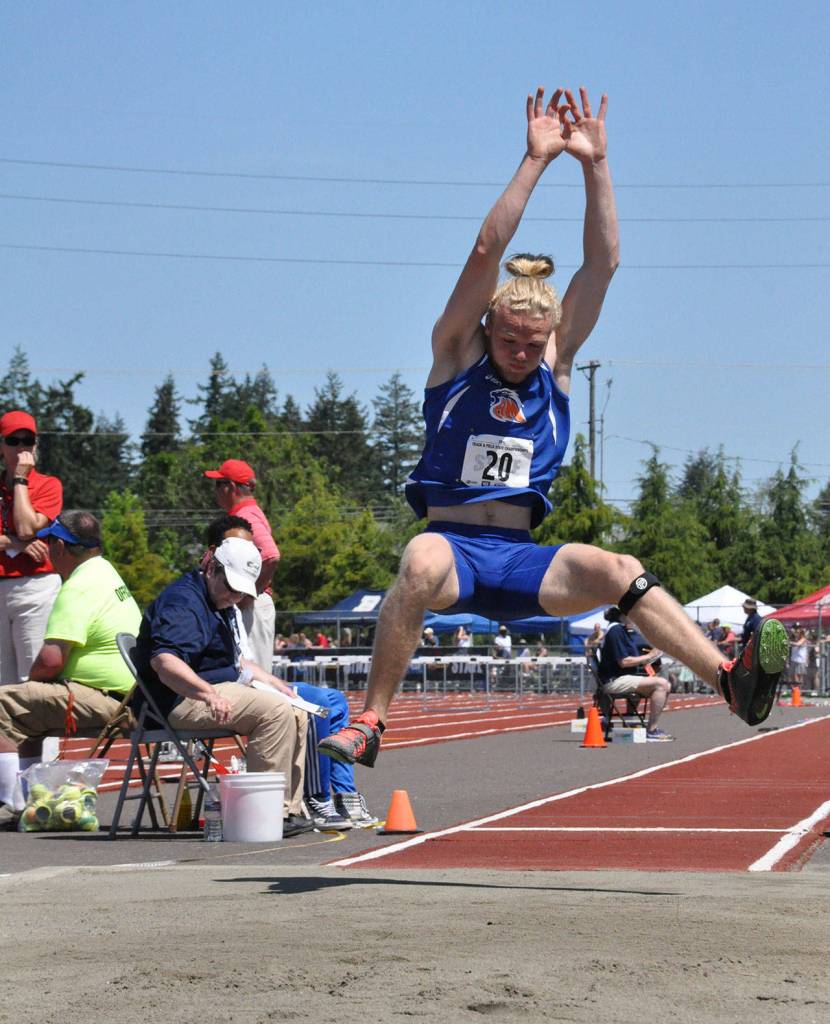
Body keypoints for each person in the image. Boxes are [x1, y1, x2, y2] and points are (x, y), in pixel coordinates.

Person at [319, 84, 788, 771]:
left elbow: (603, 265)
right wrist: (536, 160)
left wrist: (596, 165)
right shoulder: (457, 353)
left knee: (622, 570)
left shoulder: (554, 363)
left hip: (521, 558)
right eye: (509, 340)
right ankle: (372, 721)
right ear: (489, 325)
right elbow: (486, 250)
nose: (520, 354)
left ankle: (730, 681)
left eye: (533, 344)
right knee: (417, 561)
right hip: (454, 550)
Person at [203, 515, 377, 830]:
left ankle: (345, 797)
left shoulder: (232, 598)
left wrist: (273, 681)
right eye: (239, 548)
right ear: (215, 554)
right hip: (229, 690)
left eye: (252, 549)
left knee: (335, 700)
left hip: (252, 682)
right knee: (316, 707)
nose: (249, 556)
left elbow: (245, 660)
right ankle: (316, 798)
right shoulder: (208, 596)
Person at [134, 536, 312, 837]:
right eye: (230, 586)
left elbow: (236, 660)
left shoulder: (218, 602)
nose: (234, 596)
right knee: (275, 712)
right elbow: (165, 662)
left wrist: (273, 682)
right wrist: (209, 695)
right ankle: (266, 813)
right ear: (211, 568)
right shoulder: (184, 603)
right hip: (177, 698)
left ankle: (288, 809)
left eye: (241, 591)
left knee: (295, 710)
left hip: (210, 687)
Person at [0, 511, 141, 828]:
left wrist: (31, 684)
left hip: (105, 700)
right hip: (131, 698)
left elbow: (51, 660)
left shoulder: (78, 587)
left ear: (60, 547)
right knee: (28, 712)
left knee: (5, 702)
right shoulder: (105, 572)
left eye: (50, 541)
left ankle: (11, 803)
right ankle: (30, 803)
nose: (48, 549)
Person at [0, 411, 63, 687]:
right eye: (13, 440)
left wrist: (20, 480)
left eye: (28, 440)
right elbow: (23, 537)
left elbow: (27, 528)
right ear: (1, 445)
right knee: (2, 681)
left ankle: (37, 720)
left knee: (32, 678)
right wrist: (16, 543)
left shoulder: (48, 484)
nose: (21, 447)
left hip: (36, 587)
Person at [204, 459, 279, 674]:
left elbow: (271, 556)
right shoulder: (246, 512)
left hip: (252, 606)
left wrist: (247, 595)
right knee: (246, 675)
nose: (215, 490)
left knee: (255, 678)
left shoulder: (244, 515)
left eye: (218, 484)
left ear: (231, 486)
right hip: (250, 605)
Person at [598, 607, 673, 740]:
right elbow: (624, 662)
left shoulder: (618, 629)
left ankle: (632, 720)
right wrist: (649, 656)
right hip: (614, 680)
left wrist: (649, 659)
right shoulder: (616, 630)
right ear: (624, 614)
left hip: (618, 677)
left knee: (664, 684)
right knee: (662, 684)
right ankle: (651, 730)